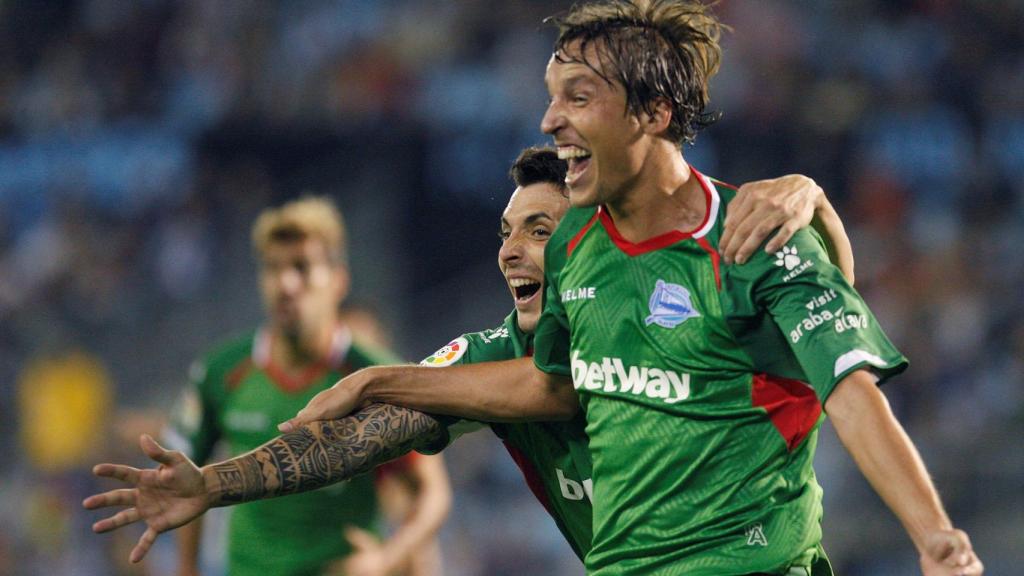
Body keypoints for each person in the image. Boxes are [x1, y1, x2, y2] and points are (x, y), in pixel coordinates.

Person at [276, 2, 983, 575]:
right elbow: (550, 382)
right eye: (551, 99)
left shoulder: (755, 234)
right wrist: (379, 382)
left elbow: (851, 395)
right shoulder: (578, 242)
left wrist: (934, 535)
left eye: (578, 98)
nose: (551, 122)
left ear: (654, 113)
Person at [84, 145, 854, 567]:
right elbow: (370, 435)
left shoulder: (689, 314)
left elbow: (829, 320)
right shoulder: (485, 360)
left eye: (542, 232)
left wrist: (811, 200)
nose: (511, 251)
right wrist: (211, 485)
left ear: (600, 245)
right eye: (505, 233)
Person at [159, 196, 451, 576]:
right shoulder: (221, 370)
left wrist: (386, 559)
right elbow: (184, 475)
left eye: (302, 267)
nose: (285, 283)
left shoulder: (378, 375)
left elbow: (432, 491)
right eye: (272, 268)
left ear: (337, 280)